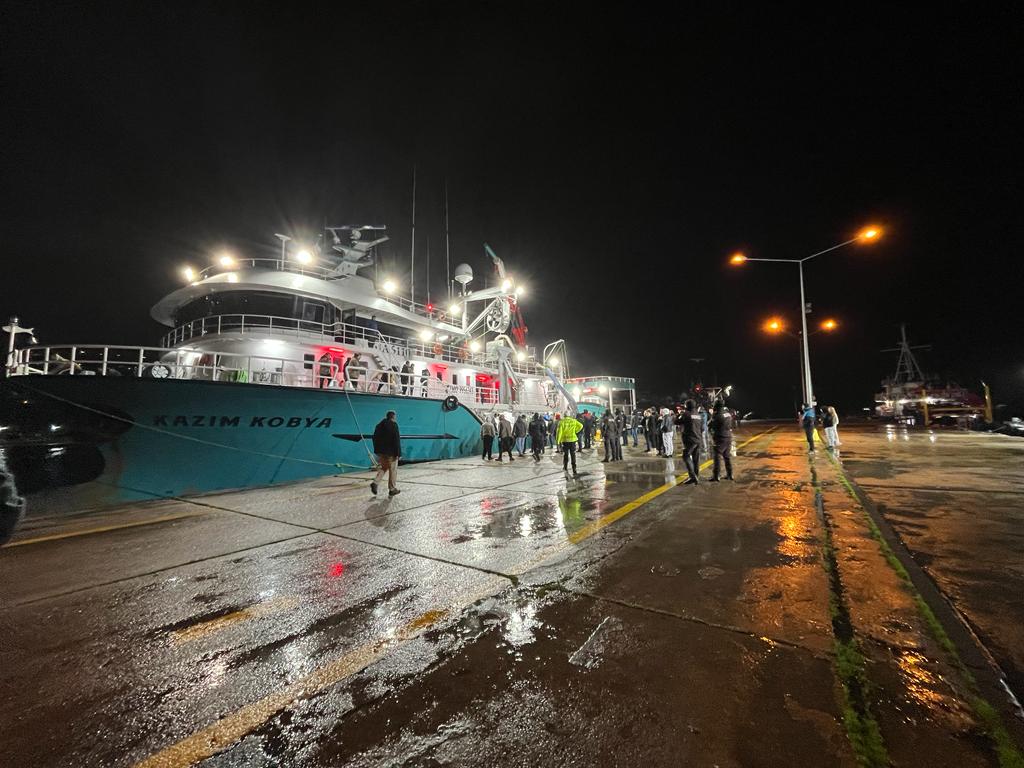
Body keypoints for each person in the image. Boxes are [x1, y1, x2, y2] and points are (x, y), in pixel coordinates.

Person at [370, 410, 402, 496]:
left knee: (384, 467)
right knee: (393, 470)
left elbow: (374, 438)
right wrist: (399, 453)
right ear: (393, 417)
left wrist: (377, 450)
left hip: (381, 452)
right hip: (391, 453)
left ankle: (375, 483)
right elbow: (396, 440)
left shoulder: (379, 425)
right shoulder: (394, 425)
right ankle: (392, 489)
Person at [709, 401, 734, 481]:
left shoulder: (717, 415)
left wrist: (712, 415)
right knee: (727, 457)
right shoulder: (728, 413)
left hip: (720, 438)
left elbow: (710, 425)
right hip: (728, 437)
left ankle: (716, 476)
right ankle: (730, 475)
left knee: (717, 457)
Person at [681, 399, 703, 484]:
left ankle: (692, 476)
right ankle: (696, 475)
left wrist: (680, 414)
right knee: (696, 459)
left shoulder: (686, 414)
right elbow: (701, 428)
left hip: (690, 439)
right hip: (698, 439)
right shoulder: (698, 415)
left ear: (687, 406)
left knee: (686, 456)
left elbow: (676, 421)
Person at [556, 411, 583, 476]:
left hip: (565, 441)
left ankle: (565, 467)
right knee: (573, 454)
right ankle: (574, 469)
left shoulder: (561, 422)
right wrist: (576, 431)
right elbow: (581, 426)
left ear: (564, 415)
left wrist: (558, 441)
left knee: (566, 454)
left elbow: (559, 432)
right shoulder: (573, 421)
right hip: (573, 440)